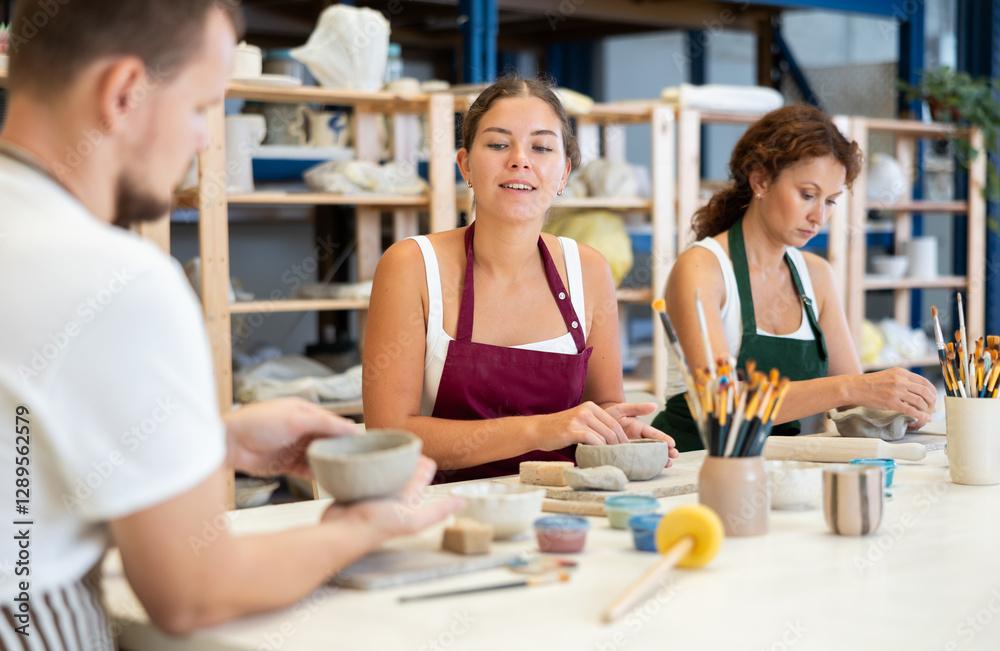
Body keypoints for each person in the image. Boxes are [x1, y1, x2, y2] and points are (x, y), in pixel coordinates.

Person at [0, 1, 461, 647]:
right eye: (198, 108)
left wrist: (211, 441)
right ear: (125, 93)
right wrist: (363, 525)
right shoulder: (113, 278)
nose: (202, 139)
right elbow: (194, 592)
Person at [362, 75, 678, 483]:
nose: (519, 160)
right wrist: (538, 429)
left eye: (542, 147)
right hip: (440, 514)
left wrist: (620, 432)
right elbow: (389, 436)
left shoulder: (589, 271)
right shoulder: (412, 265)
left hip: (564, 506)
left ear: (563, 174)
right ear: (465, 165)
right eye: (497, 144)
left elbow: (601, 411)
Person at [650, 105, 937, 452]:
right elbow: (722, 402)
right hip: (692, 464)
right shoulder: (702, 268)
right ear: (760, 180)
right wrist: (853, 388)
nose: (818, 217)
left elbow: (851, 402)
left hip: (777, 462)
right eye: (807, 195)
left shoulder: (816, 276)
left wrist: (894, 406)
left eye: (830, 201)